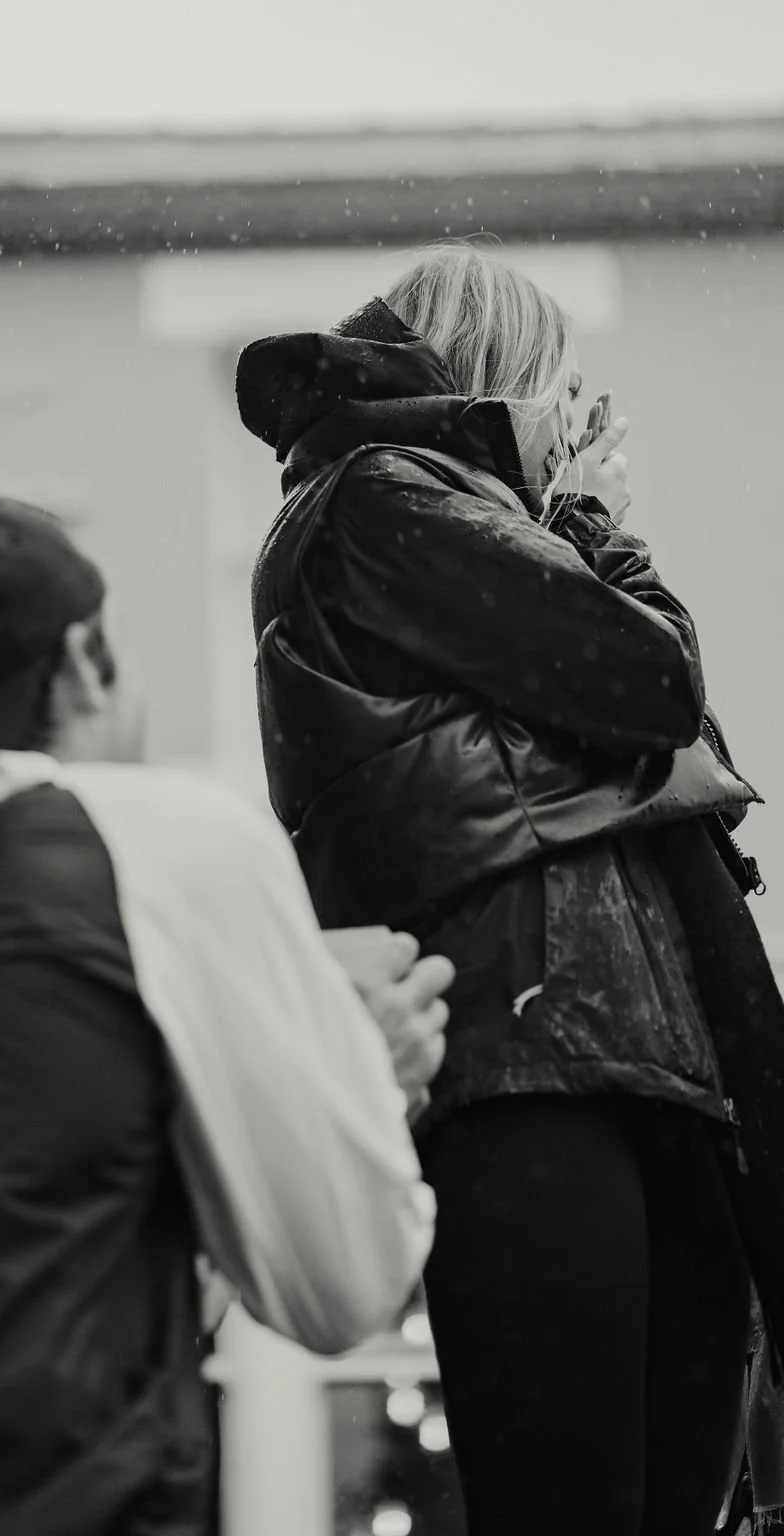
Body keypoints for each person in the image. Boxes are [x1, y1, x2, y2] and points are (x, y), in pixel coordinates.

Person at [0, 497, 454, 1536]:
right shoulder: (156, 838)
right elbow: (342, 1287)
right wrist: (360, 1075)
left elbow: (12, 1284)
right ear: (88, 659)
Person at [239, 243, 783, 1536]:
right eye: (563, 393)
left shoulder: (431, 521)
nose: (572, 428)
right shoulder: (375, 496)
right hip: (526, 1061)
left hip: (651, 1072)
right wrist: (589, 520)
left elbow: (660, 733)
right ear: (506, 377)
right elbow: (653, 685)